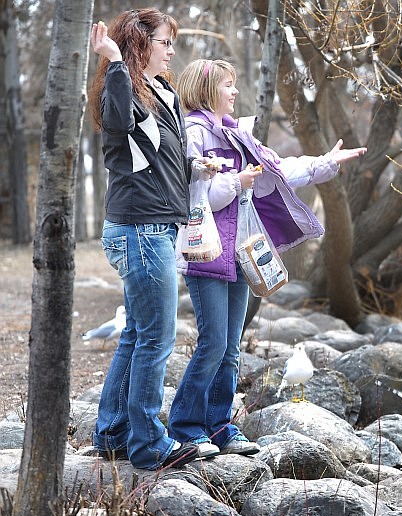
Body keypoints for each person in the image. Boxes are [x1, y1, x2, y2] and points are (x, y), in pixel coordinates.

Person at [168, 59, 366, 457]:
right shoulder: (192, 133)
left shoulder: (237, 133)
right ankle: (187, 427)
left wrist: (325, 162)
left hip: (241, 251)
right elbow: (193, 197)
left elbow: (278, 170)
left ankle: (220, 426)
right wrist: (233, 182)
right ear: (207, 90)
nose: (235, 92)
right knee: (213, 342)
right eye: (228, 85)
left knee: (230, 345)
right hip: (207, 252)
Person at [88, 9, 212, 470]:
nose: (171, 50)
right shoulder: (121, 90)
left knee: (138, 335)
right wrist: (116, 62)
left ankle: (113, 433)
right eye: (164, 41)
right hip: (139, 229)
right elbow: (119, 124)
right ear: (142, 46)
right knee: (157, 338)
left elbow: (160, 159)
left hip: (155, 226)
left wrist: (196, 170)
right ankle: (149, 446)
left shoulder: (164, 93)